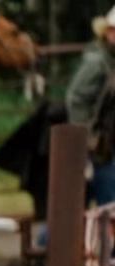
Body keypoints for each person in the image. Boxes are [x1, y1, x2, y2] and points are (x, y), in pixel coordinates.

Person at [68, 7, 115, 206]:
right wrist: (87, 139)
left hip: (107, 145)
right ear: (109, 32)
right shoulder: (97, 62)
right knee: (105, 203)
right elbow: (76, 98)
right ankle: (45, 238)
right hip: (99, 147)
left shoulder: (109, 60)